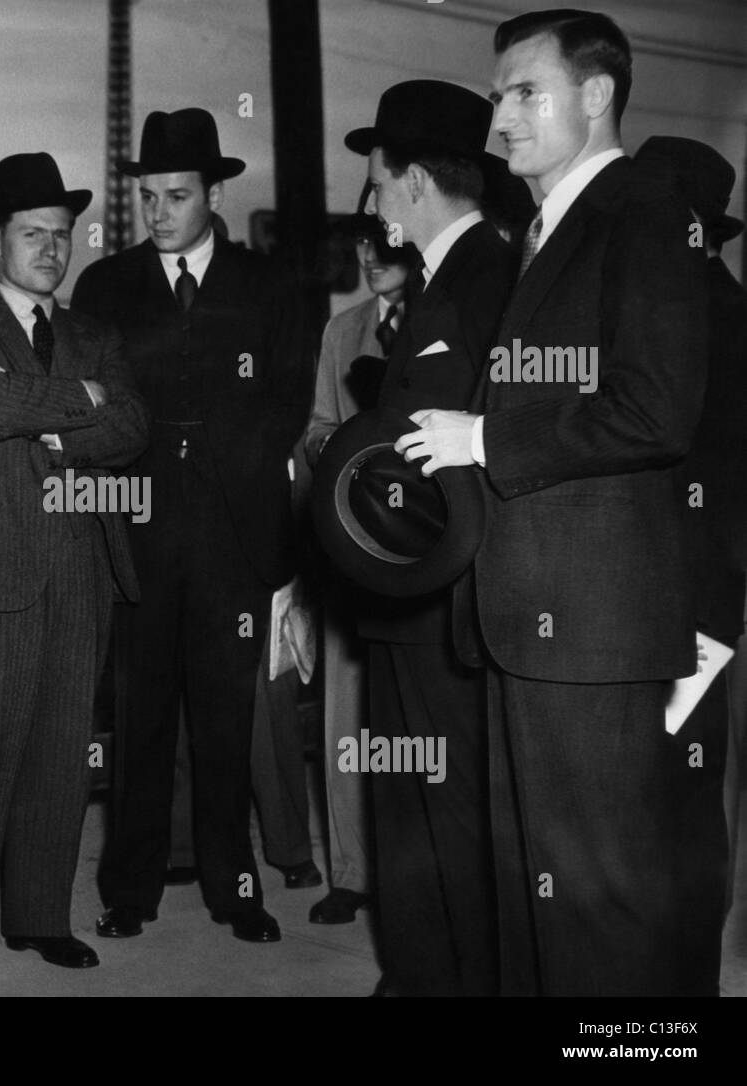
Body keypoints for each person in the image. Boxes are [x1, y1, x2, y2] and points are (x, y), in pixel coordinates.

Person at [398, 9, 708, 996]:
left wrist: (482, 437)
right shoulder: (546, 232)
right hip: (529, 627)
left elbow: (654, 412)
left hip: (592, 632)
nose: (500, 120)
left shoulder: (642, 213)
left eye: (523, 92)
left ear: (596, 94)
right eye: (496, 96)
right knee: (539, 913)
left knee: (598, 915)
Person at [0, 152, 148, 983]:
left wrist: (55, 416)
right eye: (32, 233)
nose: (51, 247)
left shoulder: (95, 335)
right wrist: (80, 402)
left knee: (61, 751)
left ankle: (41, 917)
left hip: (84, 564)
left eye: (63, 233)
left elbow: (133, 428)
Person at [72, 108, 308, 944]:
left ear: (215, 191)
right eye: (148, 197)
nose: (159, 212)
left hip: (233, 532)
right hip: (137, 535)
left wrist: (228, 470)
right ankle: (128, 887)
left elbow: (285, 403)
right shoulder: (105, 287)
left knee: (224, 722)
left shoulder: (269, 283)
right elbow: (91, 400)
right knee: (139, 721)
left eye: (177, 195)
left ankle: (233, 887)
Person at [342, 79, 518, 996]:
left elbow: (436, 459)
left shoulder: (480, 281)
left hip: (442, 596)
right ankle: (419, 976)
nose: (371, 204)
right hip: (419, 596)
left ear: (412, 182)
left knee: (443, 810)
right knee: (414, 805)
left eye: (376, 182)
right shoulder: (460, 276)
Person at [634, 135, 747, 996]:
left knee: (669, 806)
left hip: (685, 606)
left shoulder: (703, 314)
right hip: (694, 602)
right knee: (677, 806)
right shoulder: (705, 303)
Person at [299, 211, 412, 925]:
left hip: (427, 550)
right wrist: (341, 445)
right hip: (352, 544)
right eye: (361, 245)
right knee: (347, 717)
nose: (369, 257)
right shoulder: (343, 331)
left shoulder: (459, 318)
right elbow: (314, 430)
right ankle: (351, 871)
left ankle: (414, 876)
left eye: (384, 243)